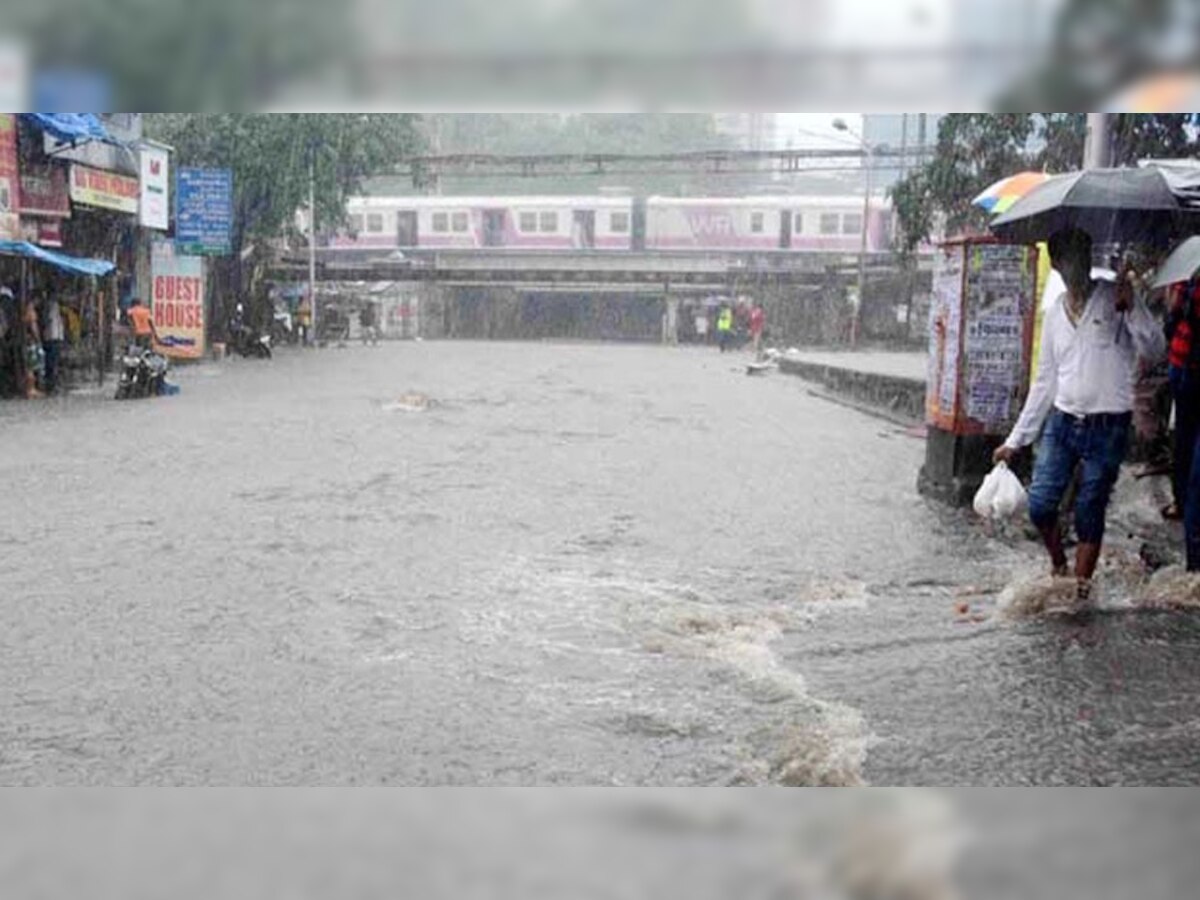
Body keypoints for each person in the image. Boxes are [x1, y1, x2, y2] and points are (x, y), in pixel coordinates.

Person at [992, 227, 1165, 609]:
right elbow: (1045, 381)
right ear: (1057, 264)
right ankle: (1059, 565)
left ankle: (1080, 593)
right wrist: (1016, 440)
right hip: (1063, 421)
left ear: (1089, 258)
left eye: (1083, 255)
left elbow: (1155, 349)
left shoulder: (1114, 298)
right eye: (1068, 257)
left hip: (1109, 425)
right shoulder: (1055, 314)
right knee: (1040, 504)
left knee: (1090, 507)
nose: (1077, 264)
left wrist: (1133, 306)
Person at [1165, 278, 1200, 569]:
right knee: (1189, 458)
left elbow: (1173, 313)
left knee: (1188, 453)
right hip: (1185, 370)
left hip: (1183, 368)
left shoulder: (1190, 272)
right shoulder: (1189, 276)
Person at [39, 292, 65, 395]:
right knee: (51, 362)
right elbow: (47, 320)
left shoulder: (52, 305)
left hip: (54, 336)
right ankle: (50, 385)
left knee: (52, 362)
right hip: (52, 337)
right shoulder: (51, 305)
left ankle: (51, 385)